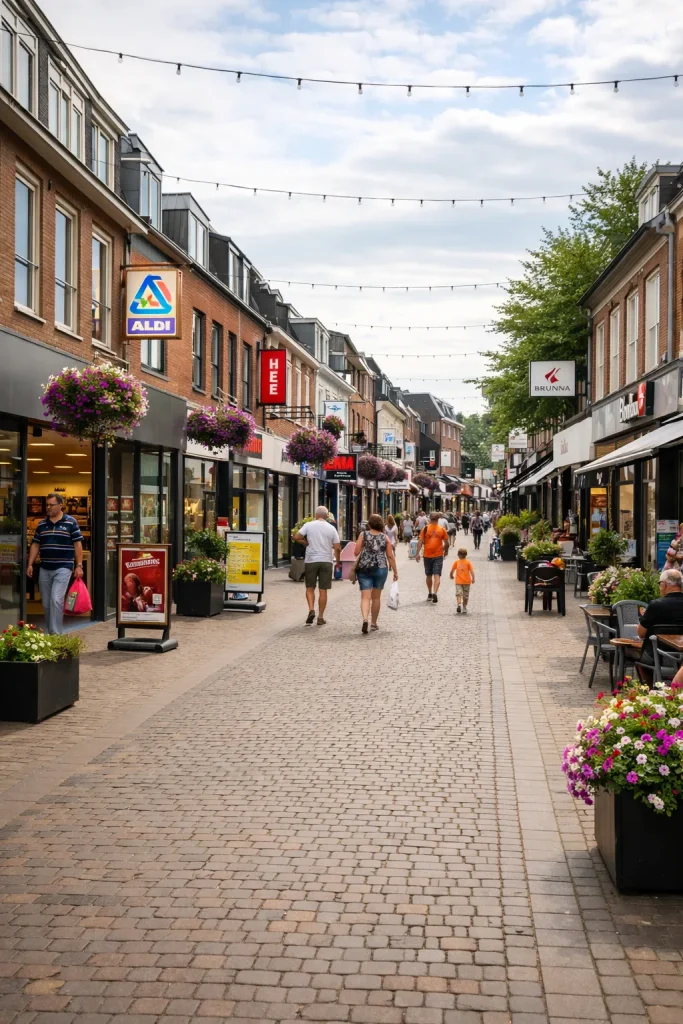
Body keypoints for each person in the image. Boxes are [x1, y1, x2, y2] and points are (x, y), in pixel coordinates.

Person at [27, 492, 84, 635]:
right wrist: (30, 564)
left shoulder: (71, 522)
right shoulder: (42, 524)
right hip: (45, 567)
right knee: (46, 603)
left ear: (60, 505)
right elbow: (35, 545)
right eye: (47, 505)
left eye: (52, 505)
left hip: (63, 567)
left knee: (55, 600)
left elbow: (78, 545)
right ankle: (51, 632)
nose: (49, 508)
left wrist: (79, 565)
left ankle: (55, 636)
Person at [294, 505, 341, 625]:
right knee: (323, 590)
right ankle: (320, 617)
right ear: (327, 517)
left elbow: (296, 536)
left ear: (316, 515)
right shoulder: (331, 528)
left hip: (311, 560)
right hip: (326, 561)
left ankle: (311, 610)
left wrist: (305, 542)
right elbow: (337, 547)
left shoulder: (309, 525)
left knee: (310, 588)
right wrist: (338, 562)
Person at [636, 569, 683, 682]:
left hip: (657, 655)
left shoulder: (656, 605)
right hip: (681, 656)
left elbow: (641, 633)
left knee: (638, 657)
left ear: (664, 584)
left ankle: (649, 690)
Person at [354, 513, 398, 634]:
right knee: (376, 597)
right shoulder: (385, 538)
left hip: (364, 567)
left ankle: (364, 619)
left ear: (369, 524)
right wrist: (395, 571)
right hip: (380, 568)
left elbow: (356, 551)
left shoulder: (363, 535)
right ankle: (373, 623)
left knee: (365, 597)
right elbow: (390, 556)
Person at [416, 510, 450, 603]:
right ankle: (435, 592)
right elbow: (447, 543)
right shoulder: (442, 529)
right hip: (438, 555)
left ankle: (430, 593)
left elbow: (419, 542)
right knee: (437, 574)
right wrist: (443, 550)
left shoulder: (425, 529)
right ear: (438, 519)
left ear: (430, 519)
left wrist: (417, 553)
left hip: (427, 555)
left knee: (428, 575)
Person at [450, 547, 476, 614]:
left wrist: (451, 575)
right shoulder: (468, 562)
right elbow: (471, 571)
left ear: (458, 555)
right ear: (466, 555)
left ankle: (459, 605)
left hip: (458, 582)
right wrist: (473, 578)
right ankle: (464, 607)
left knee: (459, 594)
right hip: (467, 582)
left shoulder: (456, 562)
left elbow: (452, 570)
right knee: (465, 596)